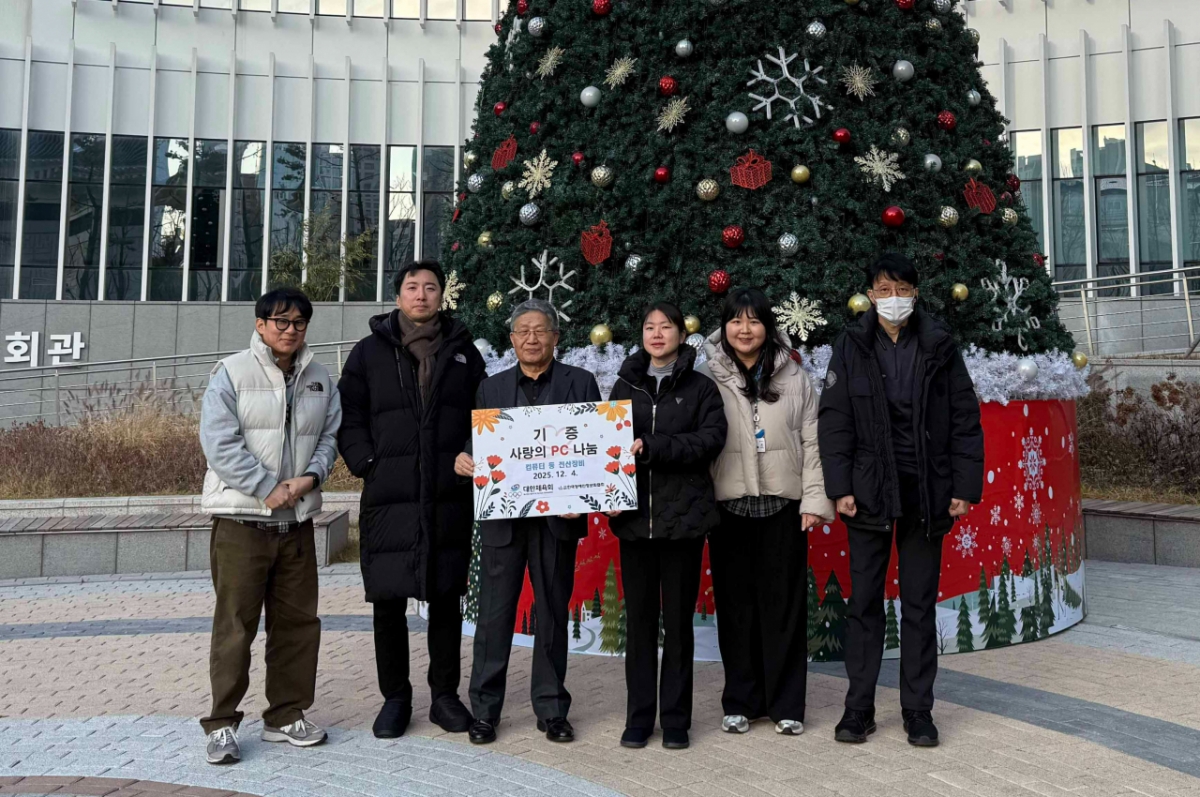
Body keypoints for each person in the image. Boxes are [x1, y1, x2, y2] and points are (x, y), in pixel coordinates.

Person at [818, 253, 984, 748]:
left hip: (927, 493)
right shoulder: (851, 345)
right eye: (884, 289)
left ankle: (918, 710)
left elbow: (964, 419)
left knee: (918, 605)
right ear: (870, 294)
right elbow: (834, 419)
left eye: (902, 289)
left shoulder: (938, 345)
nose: (894, 299)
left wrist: (963, 488)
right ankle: (859, 709)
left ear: (916, 292)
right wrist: (839, 486)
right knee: (864, 602)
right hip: (868, 493)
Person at [337, 260, 487, 739]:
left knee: (446, 598)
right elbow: (349, 413)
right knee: (388, 598)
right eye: (411, 287)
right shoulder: (368, 353)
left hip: (448, 493)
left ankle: (445, 696)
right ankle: (395, 698)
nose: (421, 295)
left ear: (443, 294)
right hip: (389, 494)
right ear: (398, 294)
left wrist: (469, 452)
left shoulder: (465, 352)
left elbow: (485, 415)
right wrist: (365, 462)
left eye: (430, 287)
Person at [198, 288, 341, 765]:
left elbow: (329, 436)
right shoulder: (231, 372)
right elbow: (218, 442)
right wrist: (266, 486)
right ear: (260, 324)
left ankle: (285, 714)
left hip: (296, 524)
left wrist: (311, 477)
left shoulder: (319, 376)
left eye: (299, 322)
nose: (290, 329)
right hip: (243, 522)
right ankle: (221, 724)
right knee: (235, 626)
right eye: (280, 321)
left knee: (299, 624)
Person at [455, 299, 601, 745]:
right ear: (512, 339)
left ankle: (552, 708)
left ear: (556, 338)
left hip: (558, 519)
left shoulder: (581, 382)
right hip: (505, 520)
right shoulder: (491, 388)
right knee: (494, 616)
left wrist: (585, 494)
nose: (532, 338)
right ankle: (484, 711)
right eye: (523, 331)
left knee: (553, 614)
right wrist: (465, 457)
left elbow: (593, 448)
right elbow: (481, 442)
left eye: (541, 330)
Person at [698, 288, 834, 738]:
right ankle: (740, 701)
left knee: (784, 608)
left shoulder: (795, 376)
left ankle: (787, 704)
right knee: (736, 609)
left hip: (784, 507)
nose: (744, 330)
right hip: (729, 509)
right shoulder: (707, 377)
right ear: (725, 327)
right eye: (736, 321)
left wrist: (815, 501)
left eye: (753, 321)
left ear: (767, 327)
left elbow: (814, 443)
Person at [607, 302, 727, 751]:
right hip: (635, 524)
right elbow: (605, 449)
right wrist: (607, 496)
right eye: (649, 326)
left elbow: (711, 439)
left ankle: (676, 719)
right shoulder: (624, 385)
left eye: (666, 327)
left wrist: (655, 446)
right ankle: (638, 718)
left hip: (684, 524)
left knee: (677, 625)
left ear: (681, 334)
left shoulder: (700, 388)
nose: (657, 334)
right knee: (638, 625)